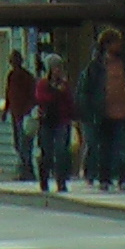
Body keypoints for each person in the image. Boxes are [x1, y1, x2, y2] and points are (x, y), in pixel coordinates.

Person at [76, 28, 125, 192]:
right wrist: (89, 112)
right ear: (106, 44)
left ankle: (123, 180)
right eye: (115, 42)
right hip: (103, 115)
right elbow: (85, 91)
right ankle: (104, 179)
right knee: (104, 149)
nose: (119, 45)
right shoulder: (95, 67)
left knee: (123, 149)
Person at [35, 53, 77, 193]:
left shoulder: (64, 84)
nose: (58, 70)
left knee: (61, 152)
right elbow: (42, 98)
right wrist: (56, 92)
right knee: (46, 153)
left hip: (62, 121)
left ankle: (61, 181)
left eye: (59, 67)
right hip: (47, 122)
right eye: (55, 67)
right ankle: (44, 180)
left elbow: (69, 101)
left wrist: (73, 116)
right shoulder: (43, 84)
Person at [3, 50, 38, 181]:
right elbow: (8, 94)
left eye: (15, 60)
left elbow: (33, 96)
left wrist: (29, 110)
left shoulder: (27, 77)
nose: (12, 63)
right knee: (18, 143)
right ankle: (24, 169)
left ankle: (28, 171)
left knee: (25, 144)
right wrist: (6, 110)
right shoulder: (11, 76)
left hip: (25, 115)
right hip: (15, 113)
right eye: (11, 60)